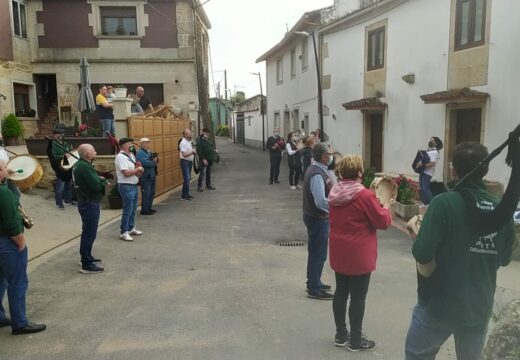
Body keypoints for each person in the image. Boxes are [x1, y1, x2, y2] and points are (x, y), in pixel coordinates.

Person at [405, 142, 516, 360]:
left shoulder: (442, 204)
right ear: (485, 170)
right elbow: (503, 259)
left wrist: (418, 233)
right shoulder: (501, 210)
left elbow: (422, 253)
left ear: (454, 169)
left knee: (417, 355)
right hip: (478, 306)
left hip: (438, 304)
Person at [328, 155, 392, 351]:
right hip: (359, 253)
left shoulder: (335, 192)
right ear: (358, 173)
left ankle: (341, 334)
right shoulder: (364, 195)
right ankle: (355, 340)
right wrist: (387, 206)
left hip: (339, 249)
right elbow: (383, 222)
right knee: (358, 297)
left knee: (340, 291)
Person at [0, 160, 46, 335]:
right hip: (7, 243)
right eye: (4, 168)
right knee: (18, 282)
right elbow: (11, 223)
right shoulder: (3, 194)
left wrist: (7, 178)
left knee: (0, 280)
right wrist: (20, 242)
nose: (8, 170)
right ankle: (20, 323)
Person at [303, 142, 334, 300]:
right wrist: (335, 210)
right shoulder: (316, 174)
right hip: (318, 218)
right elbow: (320, 201)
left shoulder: (319, 170)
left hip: (315, 217)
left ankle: (314, 281)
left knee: (315, 252)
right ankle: (315, 288)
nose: (331, 157)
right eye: (329, 154)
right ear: (323, 157)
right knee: (319, 253)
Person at [73, 144, 107, 274]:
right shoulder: (84, 167)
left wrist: (98, 179)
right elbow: (95, 186)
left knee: (88, 231)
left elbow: (92, 181)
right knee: (89, 232)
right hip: (89, 202)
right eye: (93, 151)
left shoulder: (81, 164)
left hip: (86, 201)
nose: (96, 152)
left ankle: (87, 256)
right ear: (88, 154)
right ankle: (86, 263)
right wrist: (102, 181)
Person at [115, 138, 144, 241]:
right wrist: (138, 169)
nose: (131, 145)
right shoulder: (120, 157)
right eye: (129, 143)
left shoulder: (131, 155)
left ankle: (131, 228)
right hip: (125, 186)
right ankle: (124, 232)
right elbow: (126, 173)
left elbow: (134, 170)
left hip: (133, 184)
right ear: (123, 146)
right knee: (127, 209)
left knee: (133, 208)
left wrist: (139, 170)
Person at [50, 128, 74, 209]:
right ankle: (59, 203)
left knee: (69, 184)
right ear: (54, 135)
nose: (61, 135)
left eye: (62, 134)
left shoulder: (65, 143)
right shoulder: (53, 144)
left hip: (68, 166)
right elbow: (53, 156)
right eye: (59, 134)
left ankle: (68, 200)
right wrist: (63, 156)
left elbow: (70, 151)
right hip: (60, 167)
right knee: (60, 185)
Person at [416, 136, 443, 205]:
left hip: (428, 173)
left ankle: (434, 204)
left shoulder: (435, 152)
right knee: (422, 189)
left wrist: (422, 165)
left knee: (426, 189)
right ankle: (425, 204)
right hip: (422, 171)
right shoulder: (429, 151)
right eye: (430, 140)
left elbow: (432, 163)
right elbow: (425, 159)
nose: (430, 141)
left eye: (432, 140)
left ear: (436, 143)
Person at [136, 138, 158, 215]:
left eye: (148, 143)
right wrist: (154, 162)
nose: (148, 145)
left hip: (152, 175)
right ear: (142, 144)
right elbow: (145, 163)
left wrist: (155, 159)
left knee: (152, 192)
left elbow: (156, 159)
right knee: (146, 193)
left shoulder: (148, 152)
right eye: (146, 143)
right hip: (145, 176)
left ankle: (149, 207)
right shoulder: (140, 153)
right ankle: (144, 209)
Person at [179, 129, 196, 201]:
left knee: (188, 179)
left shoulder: (188, 141)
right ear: (184, 134)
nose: (190, 134)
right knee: (187, 179)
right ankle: (184, 196)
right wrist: (192, 152)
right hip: (185, 162)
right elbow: (184, 154)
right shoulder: (183, 143)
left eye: (190, 133)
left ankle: (186, 194)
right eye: (188, 133)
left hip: (189, 162)